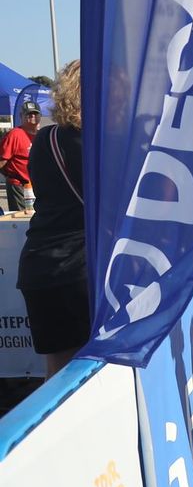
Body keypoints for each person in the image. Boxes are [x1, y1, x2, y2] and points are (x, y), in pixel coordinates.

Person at [17, 64, 85, 375]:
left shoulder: (46, 138)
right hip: (79, 268)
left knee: (57, 373)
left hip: (40, 265)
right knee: (90, 373)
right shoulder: (94, 145)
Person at [0, 101, 41, 212]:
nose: (32, 116)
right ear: (21, 116)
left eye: (35, 113)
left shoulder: (41, 135)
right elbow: (2, 160)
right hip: (18, 186)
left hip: (36, 186)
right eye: (28, 114)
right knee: (21, 219)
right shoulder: (15, 134)